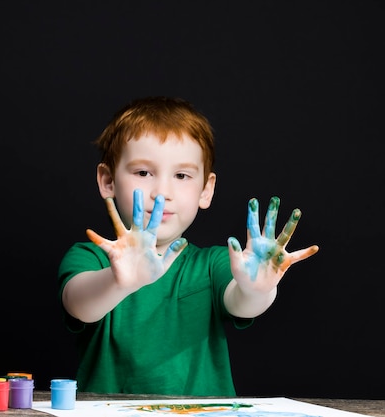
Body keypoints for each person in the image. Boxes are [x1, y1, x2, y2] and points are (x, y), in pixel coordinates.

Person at [58, 96, 319, 396]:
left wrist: (257, 288)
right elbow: (79, 306)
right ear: (107, 181)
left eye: (181, 175)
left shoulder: (213, 265)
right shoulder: (91, 256)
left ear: (205, 190)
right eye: (143, 173)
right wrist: (119, 281)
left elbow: (240, 302)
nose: (162, 192)